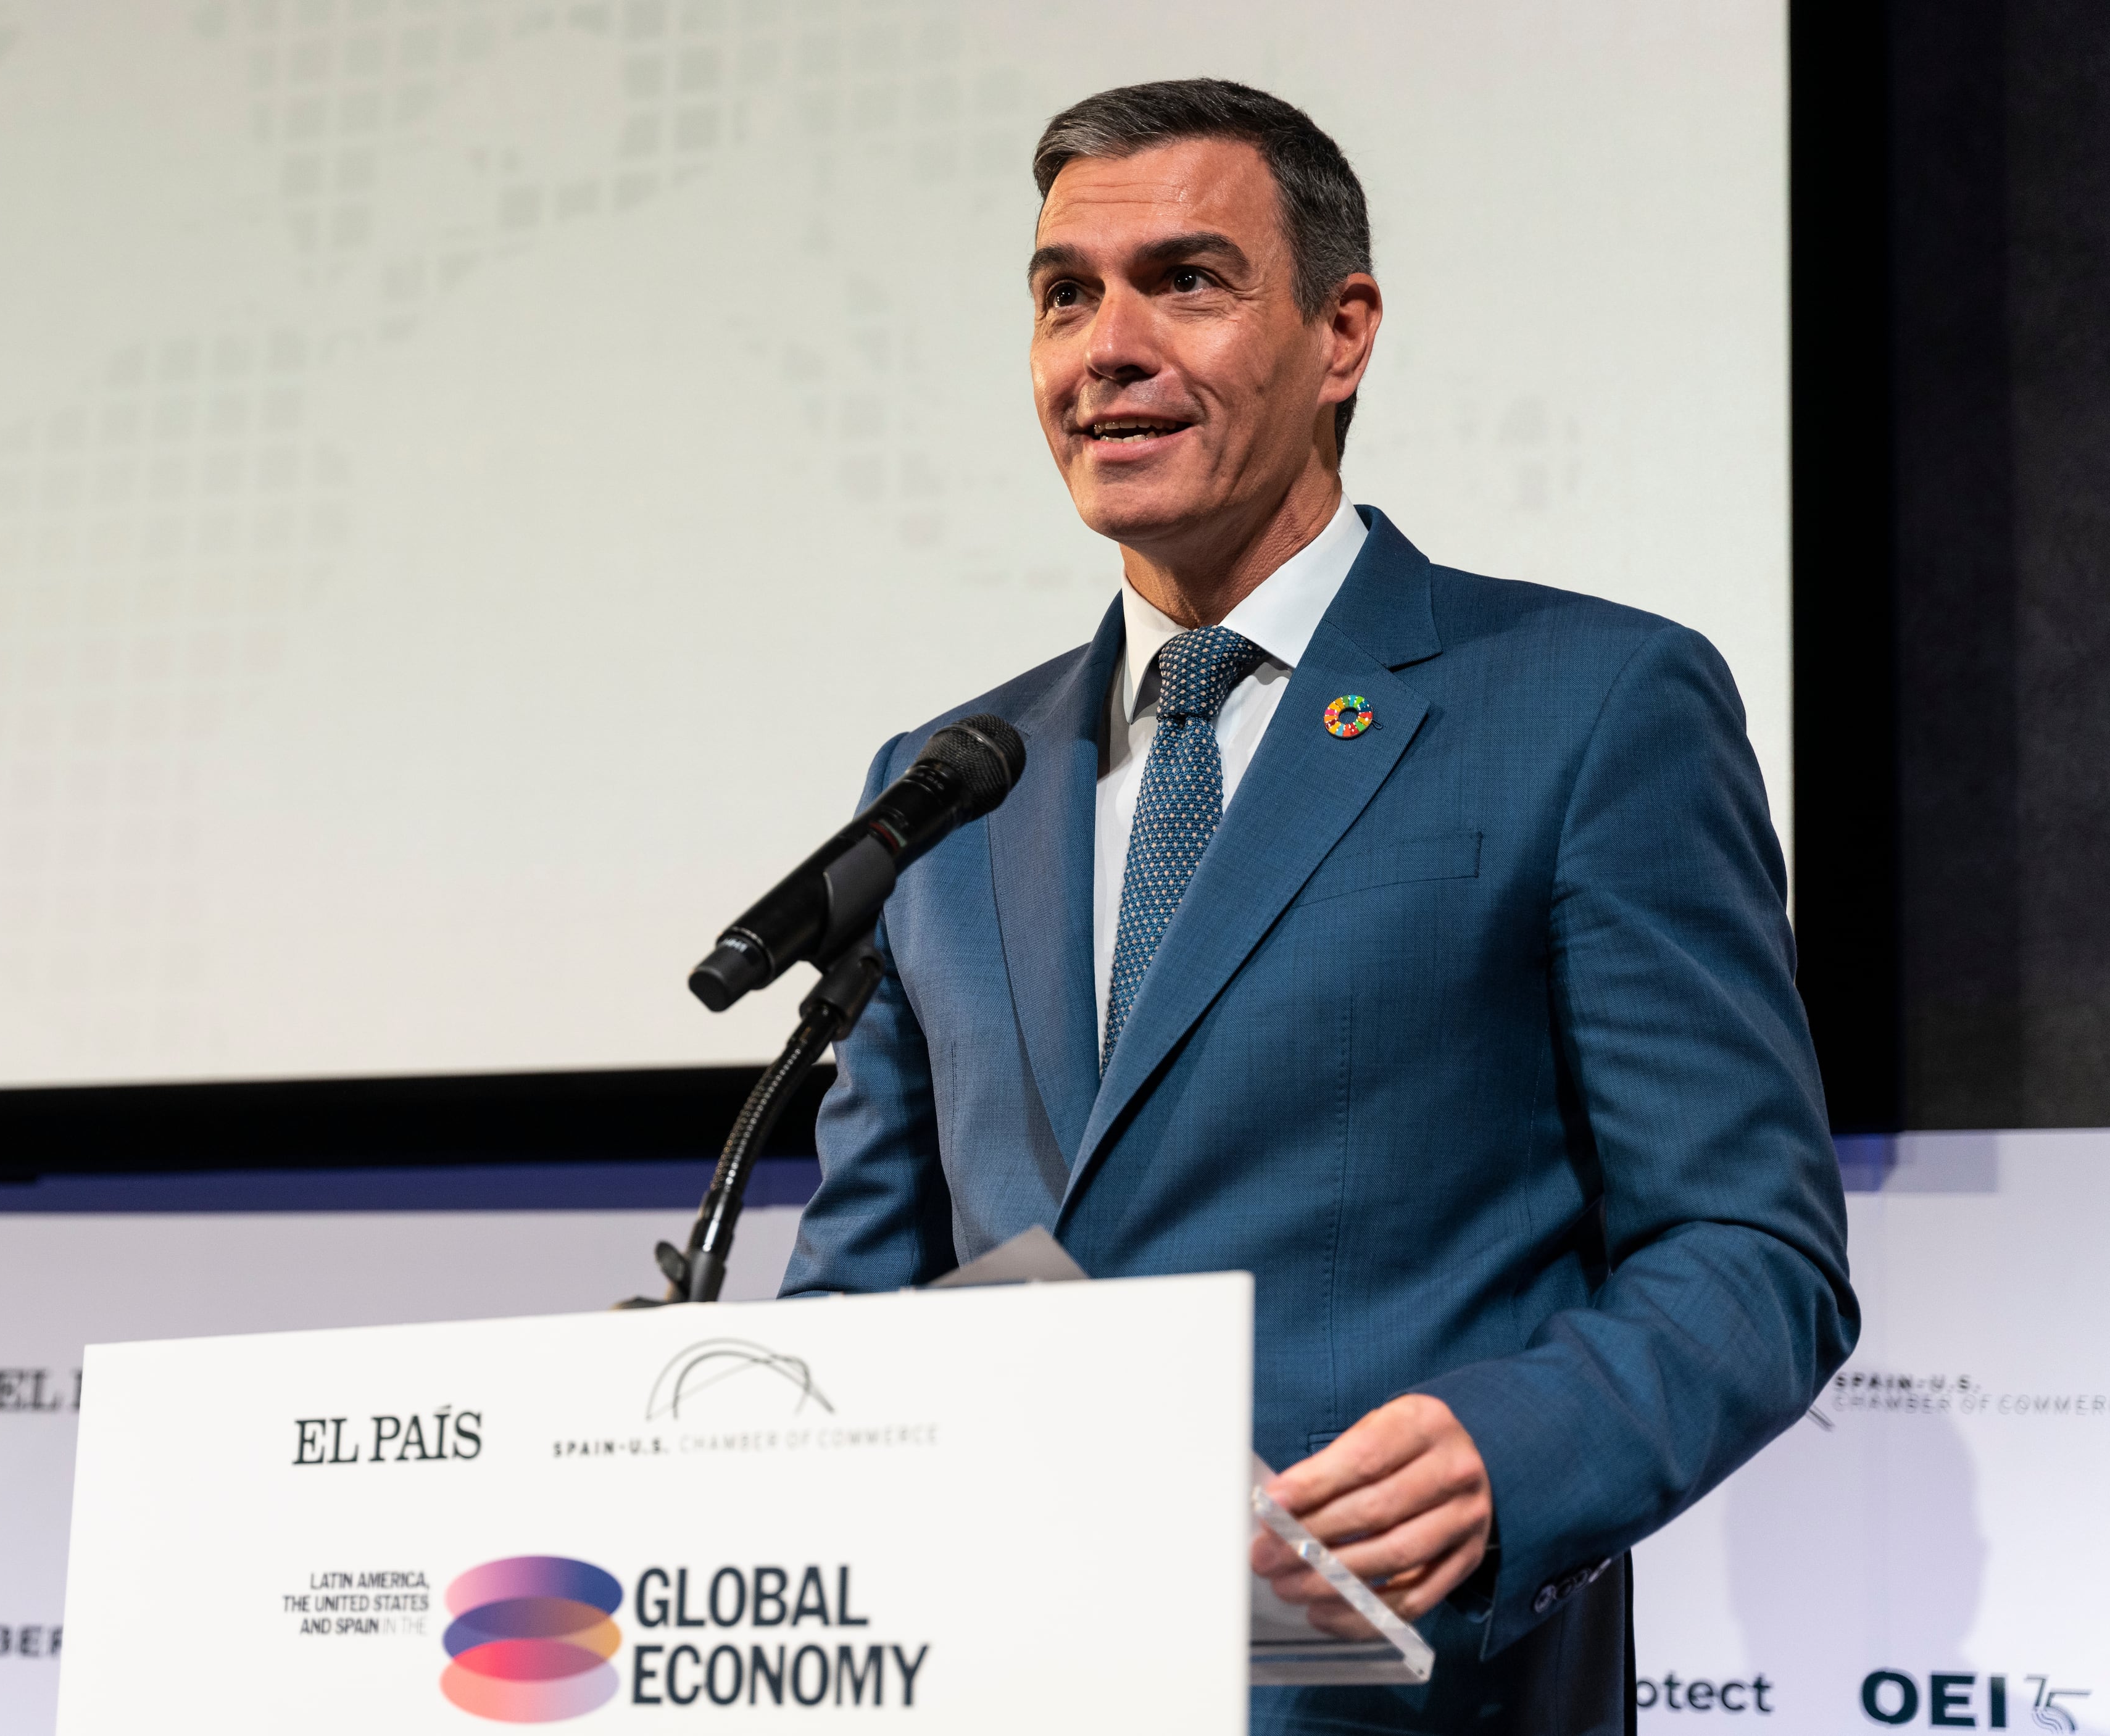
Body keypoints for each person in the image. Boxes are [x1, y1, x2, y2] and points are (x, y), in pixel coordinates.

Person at [778, 79, 1857, 1734]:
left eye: (1186, 282)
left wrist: (1521, 1447)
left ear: (1343, 335)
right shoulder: (945, 787)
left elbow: (1752, 1248)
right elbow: (861, 1301)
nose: (1106, 348)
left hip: (1405, 1699)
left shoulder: (1589, 707)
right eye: (1065, 294)